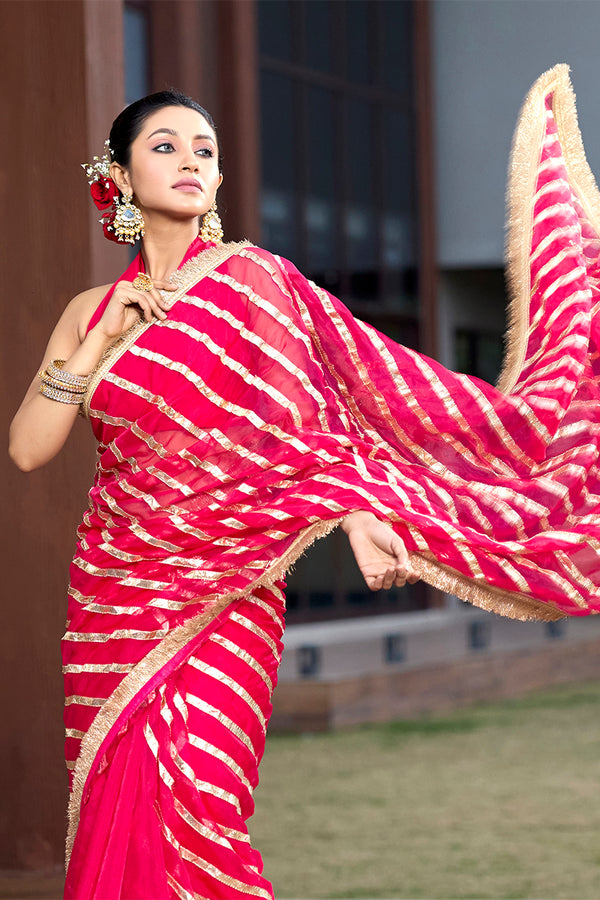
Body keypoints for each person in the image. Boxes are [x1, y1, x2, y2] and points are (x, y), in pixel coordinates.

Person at [8, 64, 600, 898]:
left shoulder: (257, 285)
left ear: (216, 177)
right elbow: (29, 449)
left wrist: (363, 518)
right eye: (164, 145)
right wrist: (102, 339)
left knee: (201, 813)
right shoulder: (86, 310)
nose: (189, 160)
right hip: (116, 593)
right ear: (119, 176)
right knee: (119, 804)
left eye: (204, 149)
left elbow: (317, 431)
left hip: (230, 594)